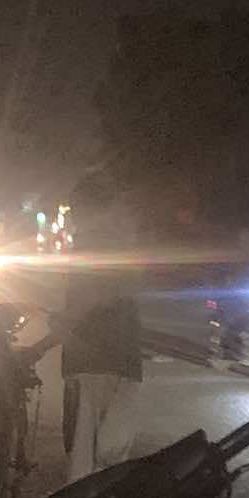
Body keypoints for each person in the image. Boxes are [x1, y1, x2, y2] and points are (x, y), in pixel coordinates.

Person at [62, 179, 143, 482]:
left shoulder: (91, 244)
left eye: (76, 209)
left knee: (83, 459)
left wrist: (45, 340)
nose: (73, 217)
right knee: (112, 457)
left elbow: (88, 302)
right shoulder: (121, 246)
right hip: (122, 364)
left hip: (92, 364)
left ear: (88, 209)